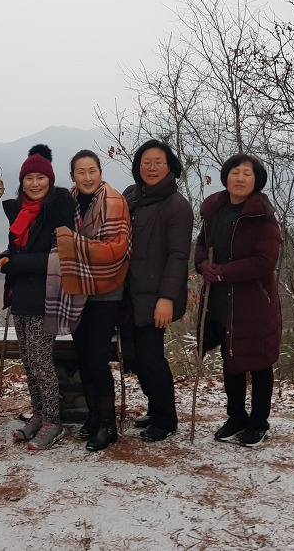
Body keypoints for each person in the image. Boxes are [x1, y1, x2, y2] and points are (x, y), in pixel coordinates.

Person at [194, 153, 282, 448]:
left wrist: (222, 272)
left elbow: (264, 262)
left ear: (257, 180)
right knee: (230, 358)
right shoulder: (215, 211)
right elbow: (201, 244)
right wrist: (203, 265)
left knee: (259, 363)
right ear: (226, 176)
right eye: (235, 172)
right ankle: (236, 417)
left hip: (253, 303)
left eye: (247, 173)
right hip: (221, 301)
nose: (240, 178)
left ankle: (258, 423)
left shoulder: (263, 217)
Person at [0, 144, 76, 451]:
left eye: (41, 177)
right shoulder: (21, 212)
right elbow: (18, 249)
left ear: (50, 180)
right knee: (29, 361)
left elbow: (58, 257)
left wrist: (14, 264)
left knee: (42, 361)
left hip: (46, 295)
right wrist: (3, 257)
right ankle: (39, 414)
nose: (34, 183)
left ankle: (54, 422)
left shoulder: (58, 211)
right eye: (29, 178)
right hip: (20, 295)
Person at [50, 150, 131, 452]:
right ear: (72, 175)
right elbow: (54, 238)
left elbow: (116, 248)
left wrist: (71, 243)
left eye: (92, 171)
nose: (87, 177)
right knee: (83, 354)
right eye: (81, 172)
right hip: (76, 287)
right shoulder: (67, 201)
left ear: (100, 172)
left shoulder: (114, 201)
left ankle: (108, 424)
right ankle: (95, 415)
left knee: (97, 357)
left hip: (106, 289)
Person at [121, 139, 194, 442]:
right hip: (129, 292)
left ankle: (166, 419)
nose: (152, 168)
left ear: (170, 166)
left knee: (151, 357)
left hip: (155, 296)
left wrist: (166, 298)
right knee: (137, 357)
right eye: (146, 163)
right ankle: (155, 408)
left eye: (158, 163)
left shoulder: (176, 205)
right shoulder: (131, 195)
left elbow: (179, 256)